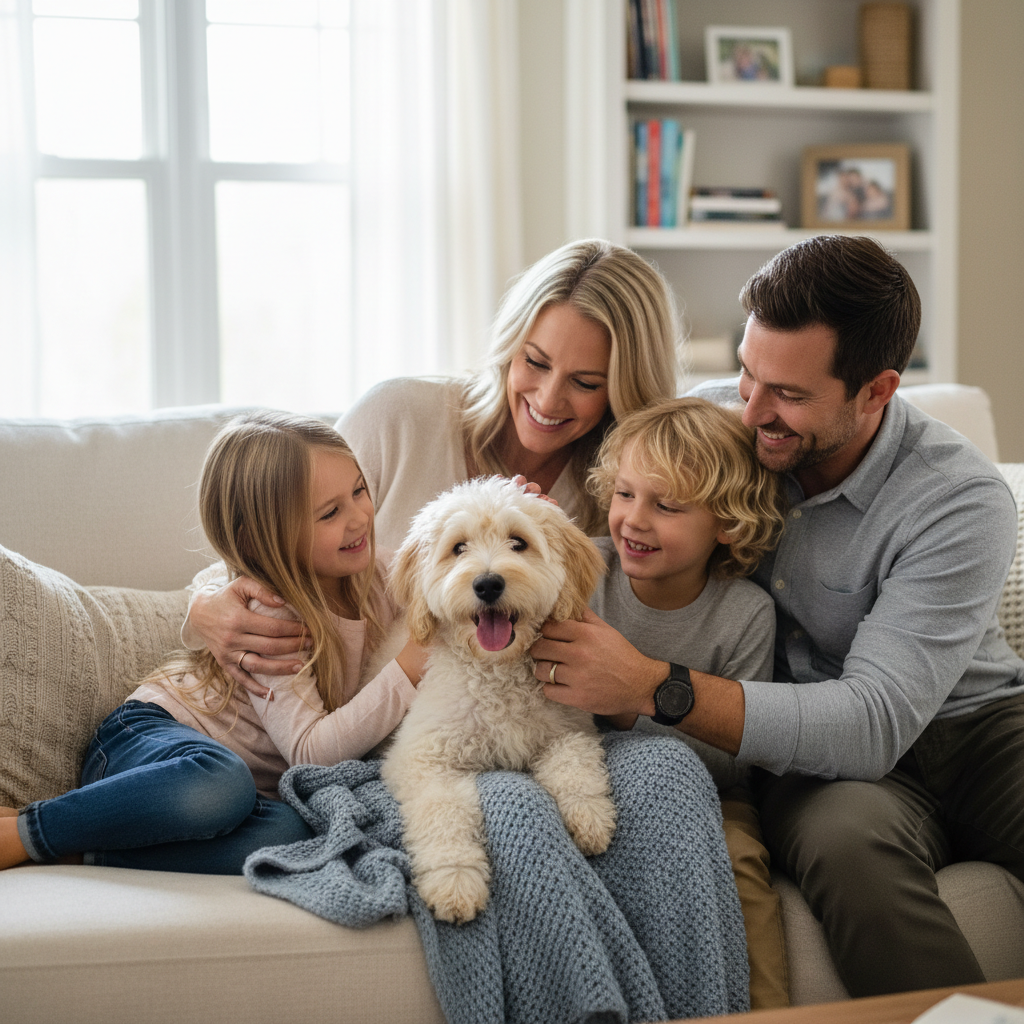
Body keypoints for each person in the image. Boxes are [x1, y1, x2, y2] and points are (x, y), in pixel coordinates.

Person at [530, 234, 1024, 998]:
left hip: (979, 724)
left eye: (789, 395)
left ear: (877, 390)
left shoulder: (957, 498)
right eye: (747, 374)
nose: (751, 411)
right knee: (847, 847)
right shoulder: (716, 435)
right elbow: (585, 456)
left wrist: (654, 686)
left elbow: (873, 719)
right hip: (812, 757)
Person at [184, 238, 681, 694]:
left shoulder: (622, 497)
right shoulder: (396, 418)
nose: (547, 398)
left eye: (586, 382)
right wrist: (203, 606)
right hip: (353, 715)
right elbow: (268, 542)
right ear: (509, 347)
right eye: (535, 361)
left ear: (623, 389)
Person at [0, 412, 427, 874]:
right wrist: (409, 666)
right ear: (260, 540)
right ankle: (29, 830)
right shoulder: (268, 613)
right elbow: (311, 754)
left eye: (359, 491)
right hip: (148, 745)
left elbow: (457, 572)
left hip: (232, 798)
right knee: (224, 781)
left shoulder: (384, 575)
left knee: (296, 832)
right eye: (330, 512)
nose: (359, 518)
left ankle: (80, 844)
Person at [545, 396, 791, 1009]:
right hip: (580, 776)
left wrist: (630, 705)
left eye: (667, 505)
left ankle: (767, 1013)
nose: (633, 519)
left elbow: (737, 762)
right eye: (624, 494)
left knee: (740, 869)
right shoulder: (583, 571)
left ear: (727, 524)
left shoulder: (745, 614)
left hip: (711, 798)